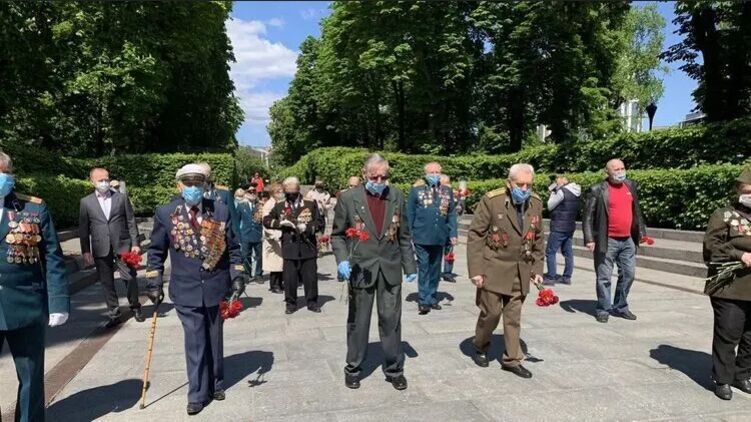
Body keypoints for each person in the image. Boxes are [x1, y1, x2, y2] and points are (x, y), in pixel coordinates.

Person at [145, 163, 245, 416]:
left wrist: (237, 275)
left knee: (214, 338)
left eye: (197, 184)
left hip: (216, 286)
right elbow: (156, 251)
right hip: (185, 289)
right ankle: (197, 393)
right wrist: (154, 282)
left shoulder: (219, 210)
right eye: (188, 184)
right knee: (195, 340)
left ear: (204, 185)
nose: (193, 188)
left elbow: (234, 248)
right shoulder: (166, 213)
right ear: (179, 186)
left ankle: (216, 383)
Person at [332, 153, 417, 390]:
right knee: (358, 321)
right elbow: (337, 235)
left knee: (391, 320)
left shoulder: (396, 195)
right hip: (361, 268)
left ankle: (394, 369)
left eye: (383, 177)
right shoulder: (348, 198)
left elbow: (404, 235)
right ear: (364, 174)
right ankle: (353, 367)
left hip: (390, 267)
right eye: (374, 177)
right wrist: (342, 259)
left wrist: (410, 266)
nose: (379, 181)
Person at [0, 151, 69, 421]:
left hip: (26, 304)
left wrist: (58, 302)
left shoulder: (33, 209)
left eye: (3, 173)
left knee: (30, 376)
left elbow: (53, 257)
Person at [467, 163, 544, 379]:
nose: (525, 189)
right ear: (509, 183)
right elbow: (476, 235)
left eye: (528, 185)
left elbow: (538, 238)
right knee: (491, 313)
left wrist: (537, 268)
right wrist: (476, 270)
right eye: (520, 184)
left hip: (521, 269)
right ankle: (480, 345)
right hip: (494, 267)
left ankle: (512, 359)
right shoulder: (493, 200)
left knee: (513, 317)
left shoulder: (535, 203)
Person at [702, 167, 751, 400]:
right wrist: (739, 255)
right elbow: (711, 247)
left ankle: (742, 375)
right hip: (730, 287)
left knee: (750, 337)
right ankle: (722, 379)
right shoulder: (724, 215)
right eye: (747, 191)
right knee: (729, 333)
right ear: (738, 191)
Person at [582, 159, 646, 323]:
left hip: (628, 239)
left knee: (629, 274)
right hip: (607, 240)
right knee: (604, 277)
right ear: (607, 172)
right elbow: (587, 216)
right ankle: (603, 309)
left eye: (622, 168)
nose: (620, 172)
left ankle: (620, 306)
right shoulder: (597, 189)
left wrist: (641, 231)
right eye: (616, 169)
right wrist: (589, 238)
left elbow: (636, 210)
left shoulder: (630, 186)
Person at [79, 167, 144, 326]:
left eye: (106, 179)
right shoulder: (86, 202)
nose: (104, 183)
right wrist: (86, 251)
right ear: (92, 181)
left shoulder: (121, 198)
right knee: (106, 282)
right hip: (100, 246)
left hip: (122, 244)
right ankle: (114, 313)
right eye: (100, 180)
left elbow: (131, 221)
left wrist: (135, 243)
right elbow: (84, 228)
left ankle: (135, 306)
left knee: (130, 277)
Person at [263, 177, 324, 313]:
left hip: (307, 245)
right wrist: (280, 224)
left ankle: (312, 302)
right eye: (288, 192)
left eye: (294, 192)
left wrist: (308, 227)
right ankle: (291, 303)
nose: (291, 195)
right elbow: (266, 220)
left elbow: (320, 222)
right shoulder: (280, 205)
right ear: (285, 190)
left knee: (310, 277)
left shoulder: (309, 203)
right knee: (289, 278)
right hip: (289, 246)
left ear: (298, 189)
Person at [406, 162, 457, 314]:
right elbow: (410, 213)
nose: (435, 175)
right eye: (431, 172)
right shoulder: (417, 190)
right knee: (424, 267)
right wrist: (408, 234)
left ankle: (432, 296)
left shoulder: (447, 191)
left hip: (439, 235)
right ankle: (423, 300)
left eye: (437, 172)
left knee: (435, 268)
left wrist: (453, 233)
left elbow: (451, 214)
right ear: (425, 174)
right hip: (421, 235)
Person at [544, 175, 581, 286]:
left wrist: (553, 193)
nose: (556, 182)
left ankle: (550, 277)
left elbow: (550, 205)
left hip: (558, 226)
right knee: (568, 252)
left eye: (557, 180)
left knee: (550, 252)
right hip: (569, 226)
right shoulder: (576, 191)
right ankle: (567, 277)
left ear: (563, 180)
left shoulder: (561, 192)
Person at [235, 188, 264, 281]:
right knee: (245, 255)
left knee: (260, 256)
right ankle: (247, 273)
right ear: (246, 193)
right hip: (245, 234)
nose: (252, 193)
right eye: (249, 192)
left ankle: (258, 274)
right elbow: (236, 221)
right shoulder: (241, 205)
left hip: (258, 234)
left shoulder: (260, 205)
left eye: (253, 192)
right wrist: (238, 235)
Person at [262, 183, 284, 293]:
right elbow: (265, 222)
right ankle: (274, 285)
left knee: (280, 262)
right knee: (274, 263)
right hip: (273, 238)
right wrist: (273, 235)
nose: (281, 193)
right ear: (273, 193)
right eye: (279, 191)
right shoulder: (269, 204)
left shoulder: (278, 203)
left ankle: (279, 283)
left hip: (279, 236)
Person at [439, 174, 457, 283]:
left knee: (449, 252)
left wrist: (453, 233)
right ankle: (435, 273)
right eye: (445, 183)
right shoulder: (433, 195)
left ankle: (448, 273)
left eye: (448, 183)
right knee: (436, 253)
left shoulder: (450, 194)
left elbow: (452, 214)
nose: (448, 185)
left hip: (448, 229)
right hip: (437, 230)